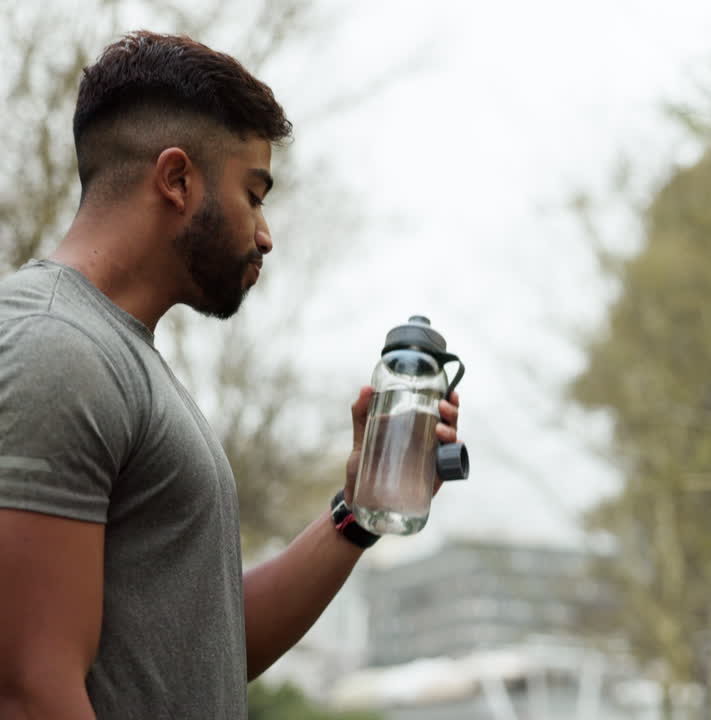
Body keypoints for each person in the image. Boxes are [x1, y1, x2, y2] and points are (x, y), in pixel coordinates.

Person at [0, 32, 460, 718]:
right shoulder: (55, 347)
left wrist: (360, 510)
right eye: (254, 193)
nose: (265, 234)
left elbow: (207, 653)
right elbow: (29, 692)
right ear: (177, 179)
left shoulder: (116, 358)